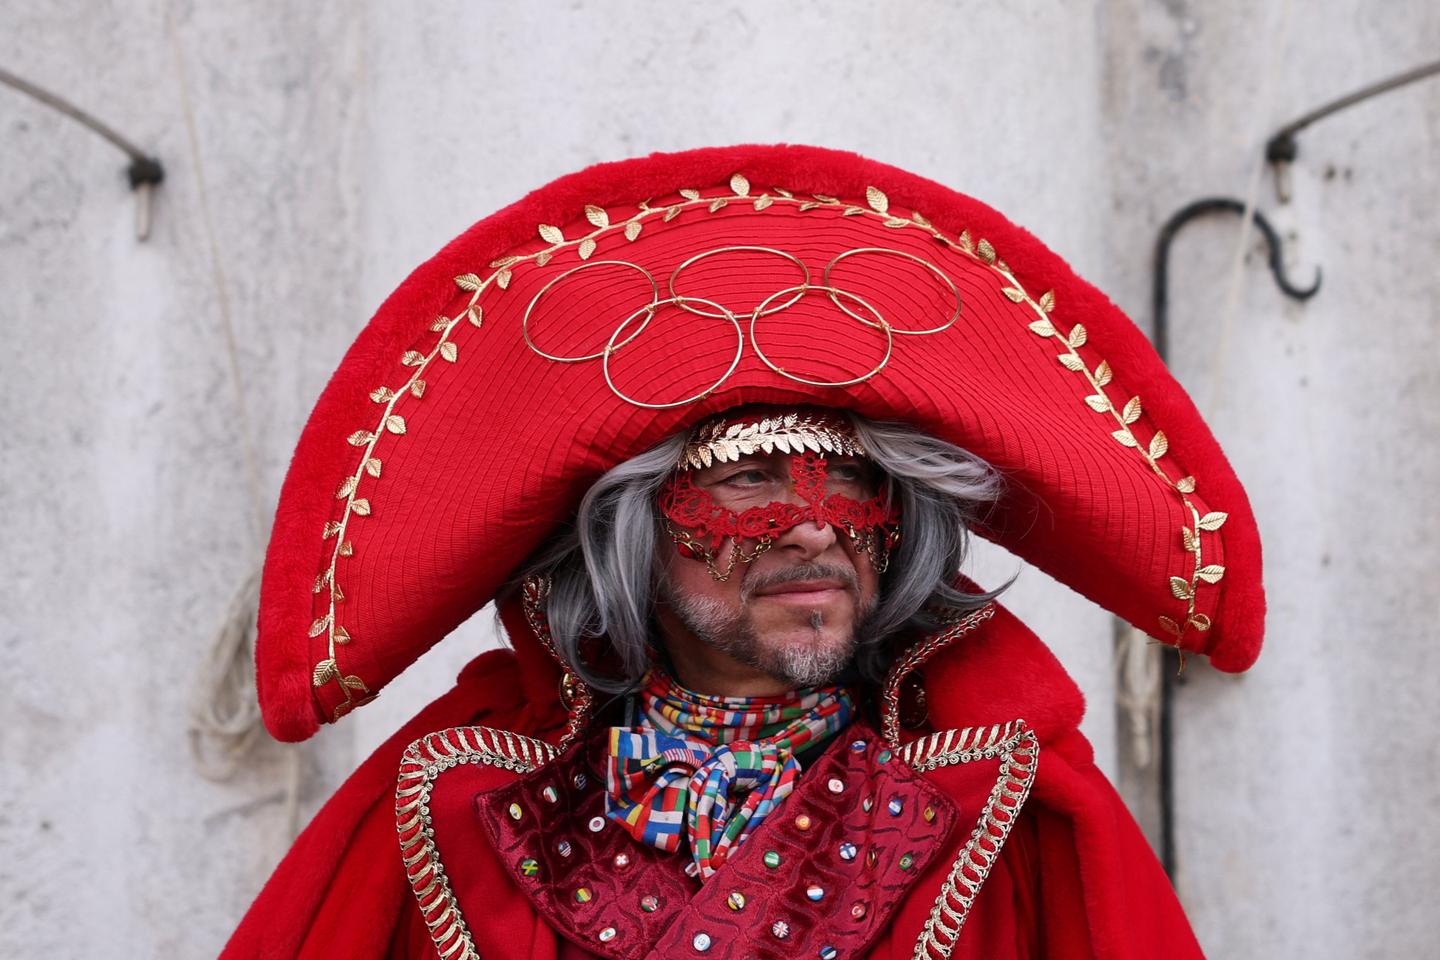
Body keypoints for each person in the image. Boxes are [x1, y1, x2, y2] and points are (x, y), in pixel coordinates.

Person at [223, 144, 1264, 959]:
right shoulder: (459, 814)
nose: (813, 525)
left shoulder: (1014, 820)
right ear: (631, 532)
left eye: (852, 483)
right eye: (748, 481)